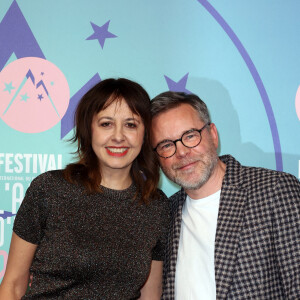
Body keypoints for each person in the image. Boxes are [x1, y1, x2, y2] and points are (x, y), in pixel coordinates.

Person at [0, 78, 170, 299]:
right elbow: (12, 286)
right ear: (89, 130)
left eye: (131, 124)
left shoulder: (156, 206)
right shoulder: (50, 189)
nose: (118, 136)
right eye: (106, 124)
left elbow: (150, 295)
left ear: (145, 134)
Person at [150, 91, 300, 300]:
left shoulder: (274, 190)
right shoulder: (164, 213)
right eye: (167, 144)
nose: (182, 152)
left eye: (190, 136)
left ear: (212, 134)